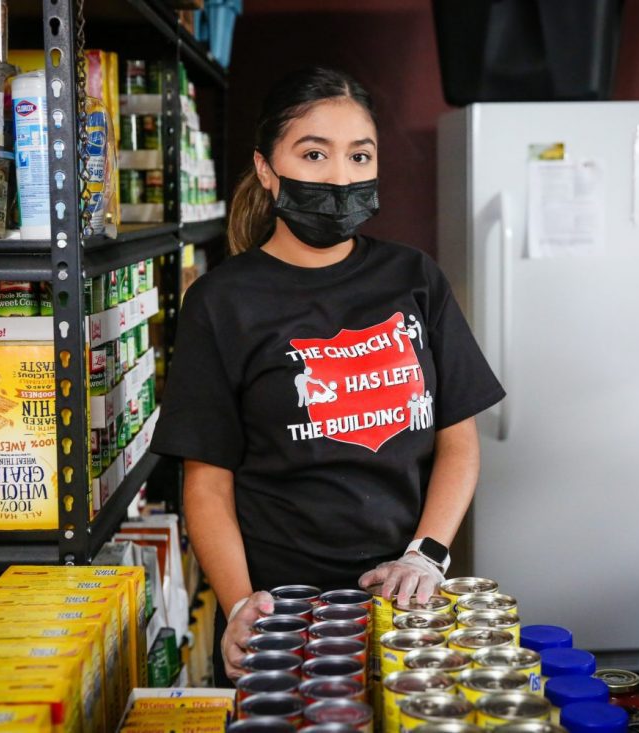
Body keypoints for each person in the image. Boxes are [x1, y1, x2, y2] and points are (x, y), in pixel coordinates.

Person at [151, 66, 505, 686]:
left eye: (359, 155)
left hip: (408, 599)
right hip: (283, 616)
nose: (341, 176)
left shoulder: (414, 279)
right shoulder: (222, 302)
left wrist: (426, 556)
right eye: (314, 154)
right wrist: (239, 607)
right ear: (267, 169)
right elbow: (207, 485)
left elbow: (459, 442)